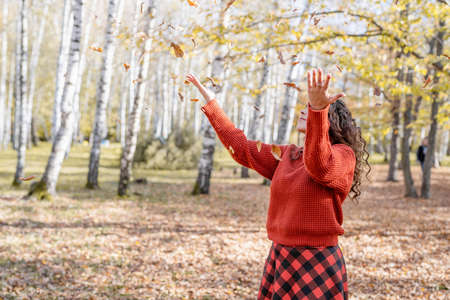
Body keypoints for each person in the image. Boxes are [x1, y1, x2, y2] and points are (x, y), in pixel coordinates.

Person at [185, 68, 370, 300]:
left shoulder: (344, 156)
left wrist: (318, 110)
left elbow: (319, 165)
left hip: (318, 259)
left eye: (312, 108)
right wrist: (213, 104)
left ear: (330, 119)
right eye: (306, 108)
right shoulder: (288, 155)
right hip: (282, 256)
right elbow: (241, 148)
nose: (305, 112)